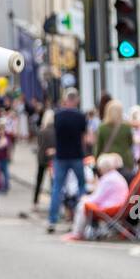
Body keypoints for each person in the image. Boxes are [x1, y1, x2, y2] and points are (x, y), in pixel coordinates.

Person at [63, 153, 129, 241]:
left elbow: (96, 199)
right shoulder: (115, 176)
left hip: (112, 207)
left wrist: (84, 198)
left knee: (82, 205)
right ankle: (80, 232)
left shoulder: (108, 179)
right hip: (119, 205)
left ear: (102, 168)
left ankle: (77, 233)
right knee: (85, 203)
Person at [47, 88, 87, 231]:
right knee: (82, 186)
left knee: (57, 188)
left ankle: (52, 220)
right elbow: (84, 138)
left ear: (65, 99)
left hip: (61, 156)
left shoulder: (58, 116)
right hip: (76, 155)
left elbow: (56, 135)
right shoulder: (81, 116)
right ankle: (82, 218)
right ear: (76, 100)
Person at [94, 99, 135, 180]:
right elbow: (130, 143)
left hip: (108, 163)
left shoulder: (102, 127)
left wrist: (97, 160)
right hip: (124, 160)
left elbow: (99, 147)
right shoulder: (126, 127)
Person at [33, 107, 55, 206]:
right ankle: (54, 202)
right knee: (53, 182)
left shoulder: (42, 131)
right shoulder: (56, 131)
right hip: (52, 159)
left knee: (39, 180)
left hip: (42, 158)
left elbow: (39, 144)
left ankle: (35, 201)